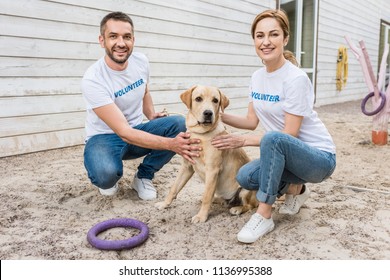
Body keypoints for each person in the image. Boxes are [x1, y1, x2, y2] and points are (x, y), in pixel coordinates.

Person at [211, 9, 336, 243]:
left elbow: (289, 133)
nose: (266, 42)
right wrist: (216, 115)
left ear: (285, 39)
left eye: (273, 34)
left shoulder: (295, 79)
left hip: (319, 159)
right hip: (286, 155)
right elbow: (251, 122)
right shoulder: (257, 77)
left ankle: (264, 214)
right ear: (254, 41)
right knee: (245, 176)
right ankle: (297, 190)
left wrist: (243, 140)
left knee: (272, 138)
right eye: (259, 36)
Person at [82, 12, 200, 200]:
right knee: (106, 176)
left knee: (178, 124)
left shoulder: (141, 61)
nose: (121, 43)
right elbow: (124, 132)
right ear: (102, 40)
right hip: (104, 138)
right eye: (113, 36)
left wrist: (151, 114)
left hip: (135, 130)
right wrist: (172, 144)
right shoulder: (93, 79)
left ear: (133, 40)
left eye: (126, 37)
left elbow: (144, 91)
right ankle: (109, 177)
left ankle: (143, 177)